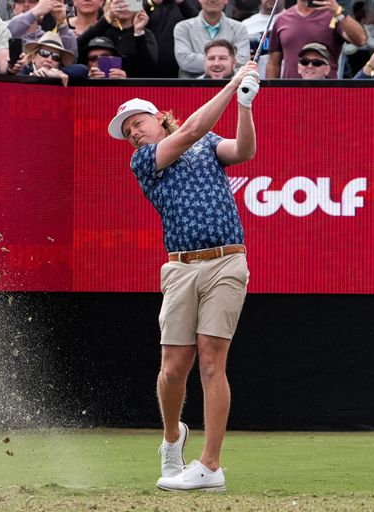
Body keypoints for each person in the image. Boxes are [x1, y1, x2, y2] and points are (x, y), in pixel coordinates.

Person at [108, 64, 260, 492]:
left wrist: (244, 104)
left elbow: (243, 151)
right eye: (128, 131)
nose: (134, 134)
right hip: (180, 268)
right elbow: (192, 130)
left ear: (158, 117)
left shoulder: (209, 142)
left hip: (228, 261)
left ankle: (210, 466)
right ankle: (173, 437)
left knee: (212, 361)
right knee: (173, 369)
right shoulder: (145, 161)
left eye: (137, 123)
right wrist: (232, 83)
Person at [266, 0, 366, 78]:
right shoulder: (282, 19)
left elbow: (361, 40)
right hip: (291, 93)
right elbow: (273, 64)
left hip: (325, 92)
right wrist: (272, 93)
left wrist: (338, 10)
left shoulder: (333, 15)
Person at [174, 0, 250, 79]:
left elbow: (242, 62)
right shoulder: (183, 28)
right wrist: (225, 60)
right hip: (191, 91)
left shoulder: (239, 28)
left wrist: (210, 60)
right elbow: (185, 61)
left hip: (229, 90)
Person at [78, 0, 159, 76]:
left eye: (129, 2)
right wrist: (107, 18)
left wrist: (138, 33)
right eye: (119, 2)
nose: (125, 6)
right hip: (100, 85)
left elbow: (149, 68)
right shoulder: (101, 29)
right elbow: (78, 47)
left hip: (132, 88)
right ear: (110, 4)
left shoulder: (144, 34)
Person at [8, 0, 75, 50]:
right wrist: (36, 11)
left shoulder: (49, 38)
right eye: (20, 1)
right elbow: (10, 29)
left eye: (32, 1)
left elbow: (72, 56)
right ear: (13, 8)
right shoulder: (4, 31)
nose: (26, 5)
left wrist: (62, 23)